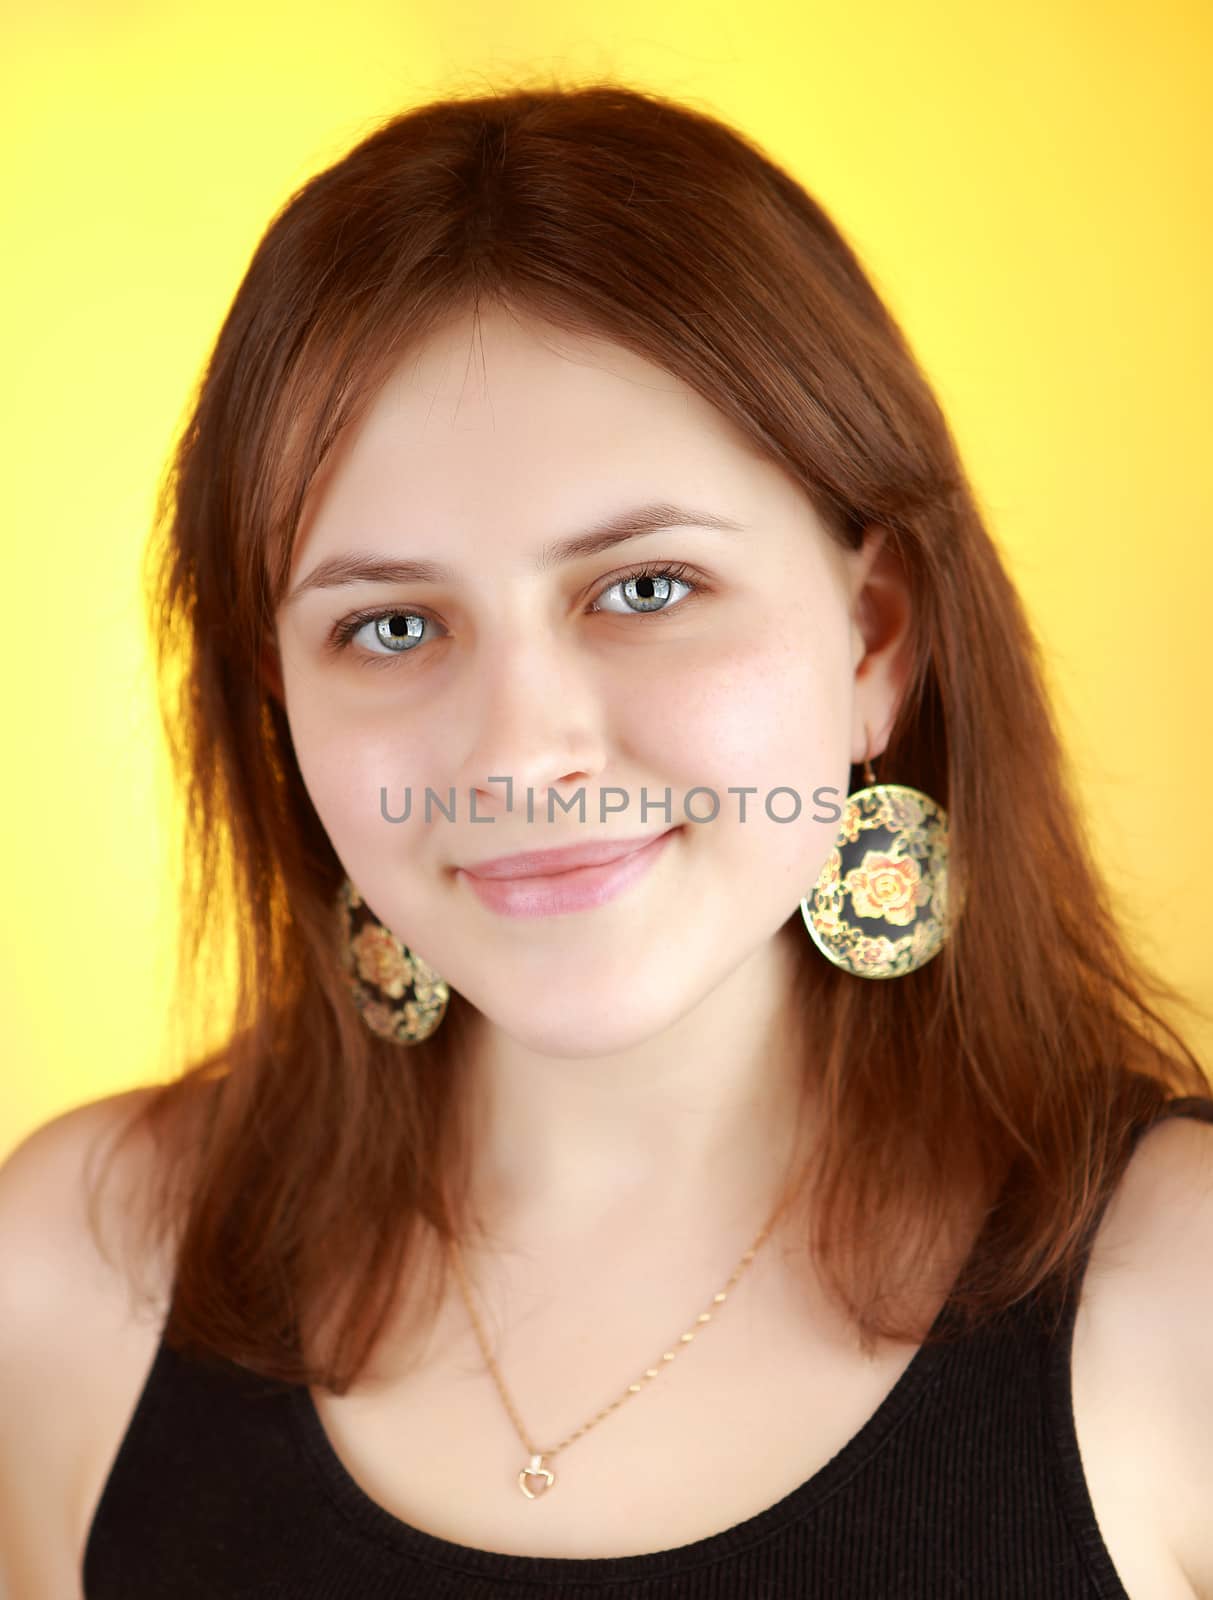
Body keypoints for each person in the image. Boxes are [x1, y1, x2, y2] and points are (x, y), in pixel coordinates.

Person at [1, 79, 1211, 1600]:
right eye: (387, 625)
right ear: (280, 701)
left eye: (641, 589)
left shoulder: (1191, 1309)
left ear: (873, 639)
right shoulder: (69, 1278)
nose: (518, 755)